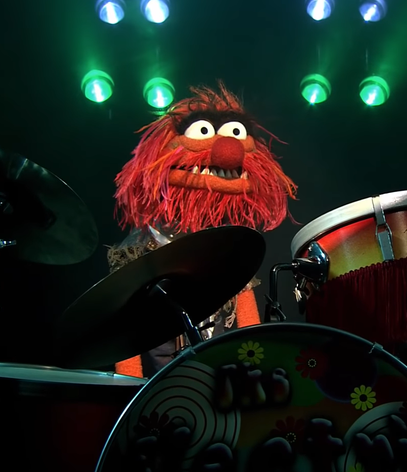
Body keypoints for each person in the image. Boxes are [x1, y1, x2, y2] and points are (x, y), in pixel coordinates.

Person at [108, 81, 297, 378]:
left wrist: (257, 374)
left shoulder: (227, 250)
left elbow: (249, 325)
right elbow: (126, 336)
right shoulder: (140, 251)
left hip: (221, 383)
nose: (227, 152)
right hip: (164, 387)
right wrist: (129, 388)